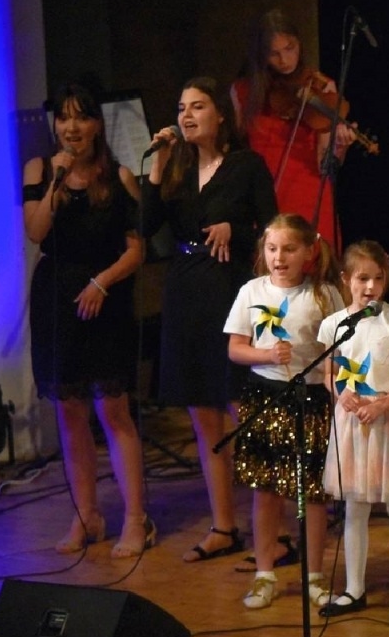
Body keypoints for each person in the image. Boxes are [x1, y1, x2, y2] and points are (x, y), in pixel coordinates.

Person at [141, 76, 277, 563]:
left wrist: (234, 228)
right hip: (186, 290)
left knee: (244, 407)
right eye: (181, 107)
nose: (187, 115)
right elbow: (144, 227)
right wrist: (157, 164)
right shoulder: (175, 168)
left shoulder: (246, 165)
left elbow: (273, 228)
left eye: (198, 106)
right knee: (203, 413)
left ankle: (274, 530)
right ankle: (224, 526)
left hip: (231, 289)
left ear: (221, 114)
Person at [23, 84, 151, 559]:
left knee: (112, 410)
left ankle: (136, 519)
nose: (70, 127)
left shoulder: (117, 177)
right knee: (69, 412)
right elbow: (36, 232)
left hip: (105, 297)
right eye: (63, 118)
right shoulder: (41, 171)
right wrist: (55, 185)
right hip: (56, 300)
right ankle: (86, 515)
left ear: (97, 124)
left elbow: (137, 250)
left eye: (80, 118)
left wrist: (102, 282)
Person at [225, 214, 345, 609]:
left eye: (290, 249)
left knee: (311, 494)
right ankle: (265, 573)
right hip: (265, 395)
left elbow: (338, 352)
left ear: (309, 252)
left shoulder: (325, 294)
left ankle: (313, 575)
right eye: (272, 249)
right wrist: (265, 354)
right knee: (266, 490)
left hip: (309, 399)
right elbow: (235, 347)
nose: (279, 257)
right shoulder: (251, 291)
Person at [315, 241, 389, 622]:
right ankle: (354, 588)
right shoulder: (334, 325)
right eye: (362, 279)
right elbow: (328, 371)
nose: (370, 287)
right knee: (355, 508)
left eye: (378, 279)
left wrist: (382, 403)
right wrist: (340, 391)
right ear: (346, 280)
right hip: (353, 422)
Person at [231, 9, 354, 248]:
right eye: (274, 54)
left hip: (309, 192)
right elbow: (241, 152)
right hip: (264, 196)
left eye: (290, 48)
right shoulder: (242, 92)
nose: (285, 60)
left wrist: (340, 146)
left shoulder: (320, 87)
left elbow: (325, 163)